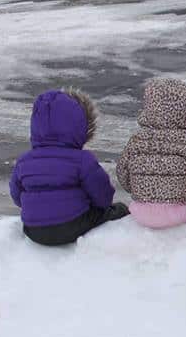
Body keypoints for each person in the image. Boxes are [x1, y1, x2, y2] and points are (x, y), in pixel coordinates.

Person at [10, 89, 127, 246]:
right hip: (72, 225)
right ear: (79, 126)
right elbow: (102, 195)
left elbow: (17, 196)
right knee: (119, 209)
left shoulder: (24, 161)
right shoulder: (82, 159)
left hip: (33, 230)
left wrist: (37, 209)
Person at [117, 78, 186, 229]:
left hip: (140, 211)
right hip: (180, 212)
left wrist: (142, 191)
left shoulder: (137, 139)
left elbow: (122, 174)